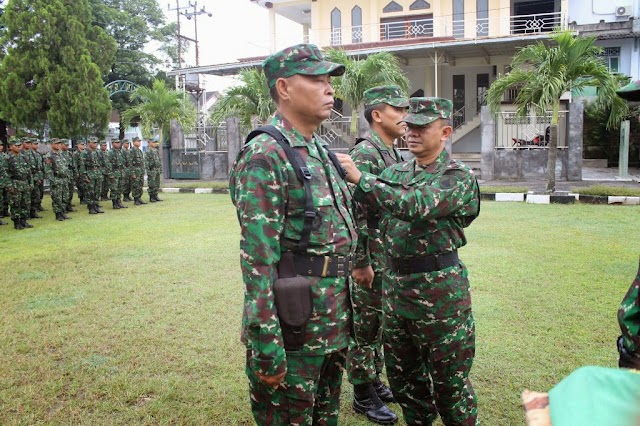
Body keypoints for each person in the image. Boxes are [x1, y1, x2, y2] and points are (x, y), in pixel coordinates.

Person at [229, 43, 357, 425]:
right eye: (316, 79)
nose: (329, 89)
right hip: (293, 329)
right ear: (284, 88)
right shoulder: (265, 155)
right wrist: (267, 345)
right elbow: (258, 261)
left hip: (331, 323)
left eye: (329, 81)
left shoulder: (317, 149)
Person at [338, 97, 481, 426]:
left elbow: (415, 203)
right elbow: (368, 211)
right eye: (409, 126)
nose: (411, 132)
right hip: (396, 292)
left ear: (445, 132)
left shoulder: (457, 177)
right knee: (407, 386)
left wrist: (362, 178)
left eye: (421, 127)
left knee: (450, 387)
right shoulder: (396, 171)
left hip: (440, 297)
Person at [347, 85, 409, 425]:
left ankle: (372, 380)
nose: (404, 116)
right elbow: (354, 213)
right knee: (364, 327)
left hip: (386, 255)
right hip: (370, 256)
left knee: (379, 324)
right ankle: (361, 393)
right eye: (397, 110)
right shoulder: (366, 154)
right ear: (377, 115)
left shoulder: (390, 152)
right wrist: (361, 262)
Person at [6, 137, 33, 229]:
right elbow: (5, 174)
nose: (18, 147)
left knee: (25, 203)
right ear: (11, 147)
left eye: (19, 145)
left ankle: (24, 221)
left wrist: (31, 183)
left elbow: (29, 172)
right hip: (15, 183)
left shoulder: (24, 157)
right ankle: (17, 222)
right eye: (16, 146)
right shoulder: (8, 158)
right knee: (15, 203)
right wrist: (9, 186)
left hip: (24, 183)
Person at [44, 138, 71, 221]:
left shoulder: (61, 154)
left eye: (59, 143)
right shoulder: (49, 156)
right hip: (56, 179)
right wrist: (53, 180)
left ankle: (63, 212)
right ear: (52, 145)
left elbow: (66, 167)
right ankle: (58, 214)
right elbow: (48, 170)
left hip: (64, 179)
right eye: (56, 143)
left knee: (65, 197)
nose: (58, 145)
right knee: (57, 198)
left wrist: (68, 177)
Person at [79, 137, 104, 214]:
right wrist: (85, 177)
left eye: (96, 143)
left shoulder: (98, 152)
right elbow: (82, 166)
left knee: (97, 191)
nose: (95, 144)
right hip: (90, 173)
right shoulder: (85, 153)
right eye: (93, 143)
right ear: (89, 143)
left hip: (97, 174)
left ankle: (96, 206)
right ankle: (91, 207)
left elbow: (101, 163)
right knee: (90, 192)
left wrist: (101, 172)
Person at [106, 139, 127, 209]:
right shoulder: (110, 152)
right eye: (116, 143)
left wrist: (123, 172)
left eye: (119, 142)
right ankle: (114, 203)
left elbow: (123, 163)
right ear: (112, 143)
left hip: (120, 173)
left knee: (120, 188)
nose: (118, 144)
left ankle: (119, 202)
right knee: (114, 189)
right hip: (114, 173)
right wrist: (110, 174)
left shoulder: (120, 152)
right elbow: (108, 164)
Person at [59, 139, 76, 213]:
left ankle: (69, 205)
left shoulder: (69, 153)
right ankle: (63, 207)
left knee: (70, 191)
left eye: (67, 145)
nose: (66, 146)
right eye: (65, 145)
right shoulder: (59, 154)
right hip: (63, 175)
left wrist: (75, 173)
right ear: (61, 145)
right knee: (63, 193)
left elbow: (73, 164)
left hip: (70, 175)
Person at [144, 138, 162, 202]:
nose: (155, 143)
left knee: (157, 183)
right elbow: (146, 162)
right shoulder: (148, 151)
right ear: (149, 143)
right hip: (152, 170)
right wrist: (148, 171)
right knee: (151, 184)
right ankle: (151, 197)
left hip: (157, 169)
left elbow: (159, 160)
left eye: (155, 142)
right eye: (153, 142)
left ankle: (156, 195)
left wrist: (160, 169)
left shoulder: (156, 151)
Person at [130, 137, 146, 205]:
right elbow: (130, 163)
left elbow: (142, 162)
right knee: (135, 185)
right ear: (134, 142)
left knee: (140, 185)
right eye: (138, 141)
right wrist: (132, 173)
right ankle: (136, 199)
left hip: (140, 171)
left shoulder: (139, 151)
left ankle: (139, 198)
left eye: (139, 141)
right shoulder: (131, 151)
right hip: (135, 171)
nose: (139, 142)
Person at [72, 140, 86, 204]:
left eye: (83, 144)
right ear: (78, 145)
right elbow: (74, 164)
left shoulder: (85, 152)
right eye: (81, 144)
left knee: (85, 186)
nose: (83, 146)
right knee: (80, 186)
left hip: (85, 172)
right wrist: (77, 172)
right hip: (79, 172)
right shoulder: (76, 153)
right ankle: (81, 198)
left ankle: (85, 198)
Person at [0, 143, 8, 225]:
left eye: (1, 145)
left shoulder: (5, 156)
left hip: (5, 180)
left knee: (5, 197)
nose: (1, 147)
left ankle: (5, 211)